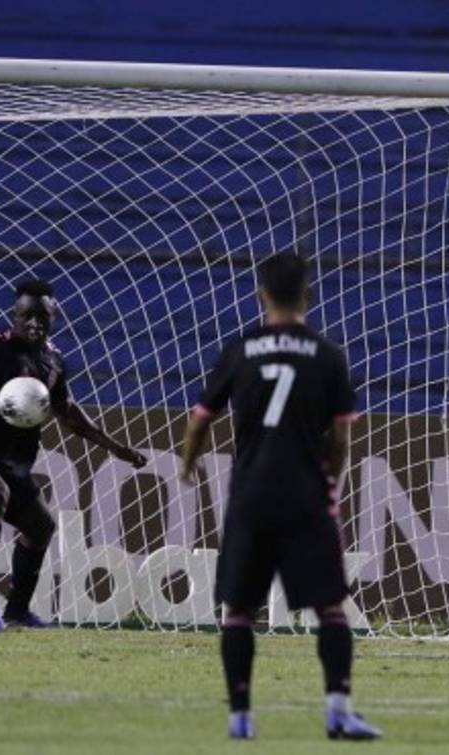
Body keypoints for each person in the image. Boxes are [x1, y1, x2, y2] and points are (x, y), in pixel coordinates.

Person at [179, 253, 381, 741]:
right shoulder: (329, 354)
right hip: (305, 495)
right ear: (307, 295)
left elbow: (201, 417)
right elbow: (339, 438)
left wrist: (188, 461)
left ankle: (241, 719)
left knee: (238, 612)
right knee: (331, 608)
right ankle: (337, 711)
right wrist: (330, 479)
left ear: (261, 296)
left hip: (251, 494)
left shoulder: (241, 348)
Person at [0, 279, 146, 632]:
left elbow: (69, 414)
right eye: (26, 316)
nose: (34, 323)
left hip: (10, 465)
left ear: (53, 315)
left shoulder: (53, 360)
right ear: (14, 315)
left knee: (40, 526)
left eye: (42, 316)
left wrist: (117, 448)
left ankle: (16, 611)